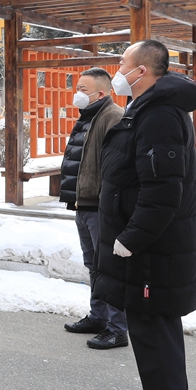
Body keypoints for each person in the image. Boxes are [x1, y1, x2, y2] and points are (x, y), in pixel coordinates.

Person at [94, 40, 196, 390]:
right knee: (150, 335)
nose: (117, 69)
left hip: (154, 252)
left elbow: (162, 192)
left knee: (157, 338)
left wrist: (131, 238)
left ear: (141, 71)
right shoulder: (146, 108)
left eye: (123, 63)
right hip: (151, 251)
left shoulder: (159, 114)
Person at [60, 69, 127, 349]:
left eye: (83, 89)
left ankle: (117, 328)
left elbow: (117, 166)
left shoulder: (113, 116)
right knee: (94, 266)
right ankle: (98, 317)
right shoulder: (88, 116)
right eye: (77, 87)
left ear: (101, 93)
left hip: (101, 206)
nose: (77, 93)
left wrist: (110, 204)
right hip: (83, 204)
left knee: (108, 268)